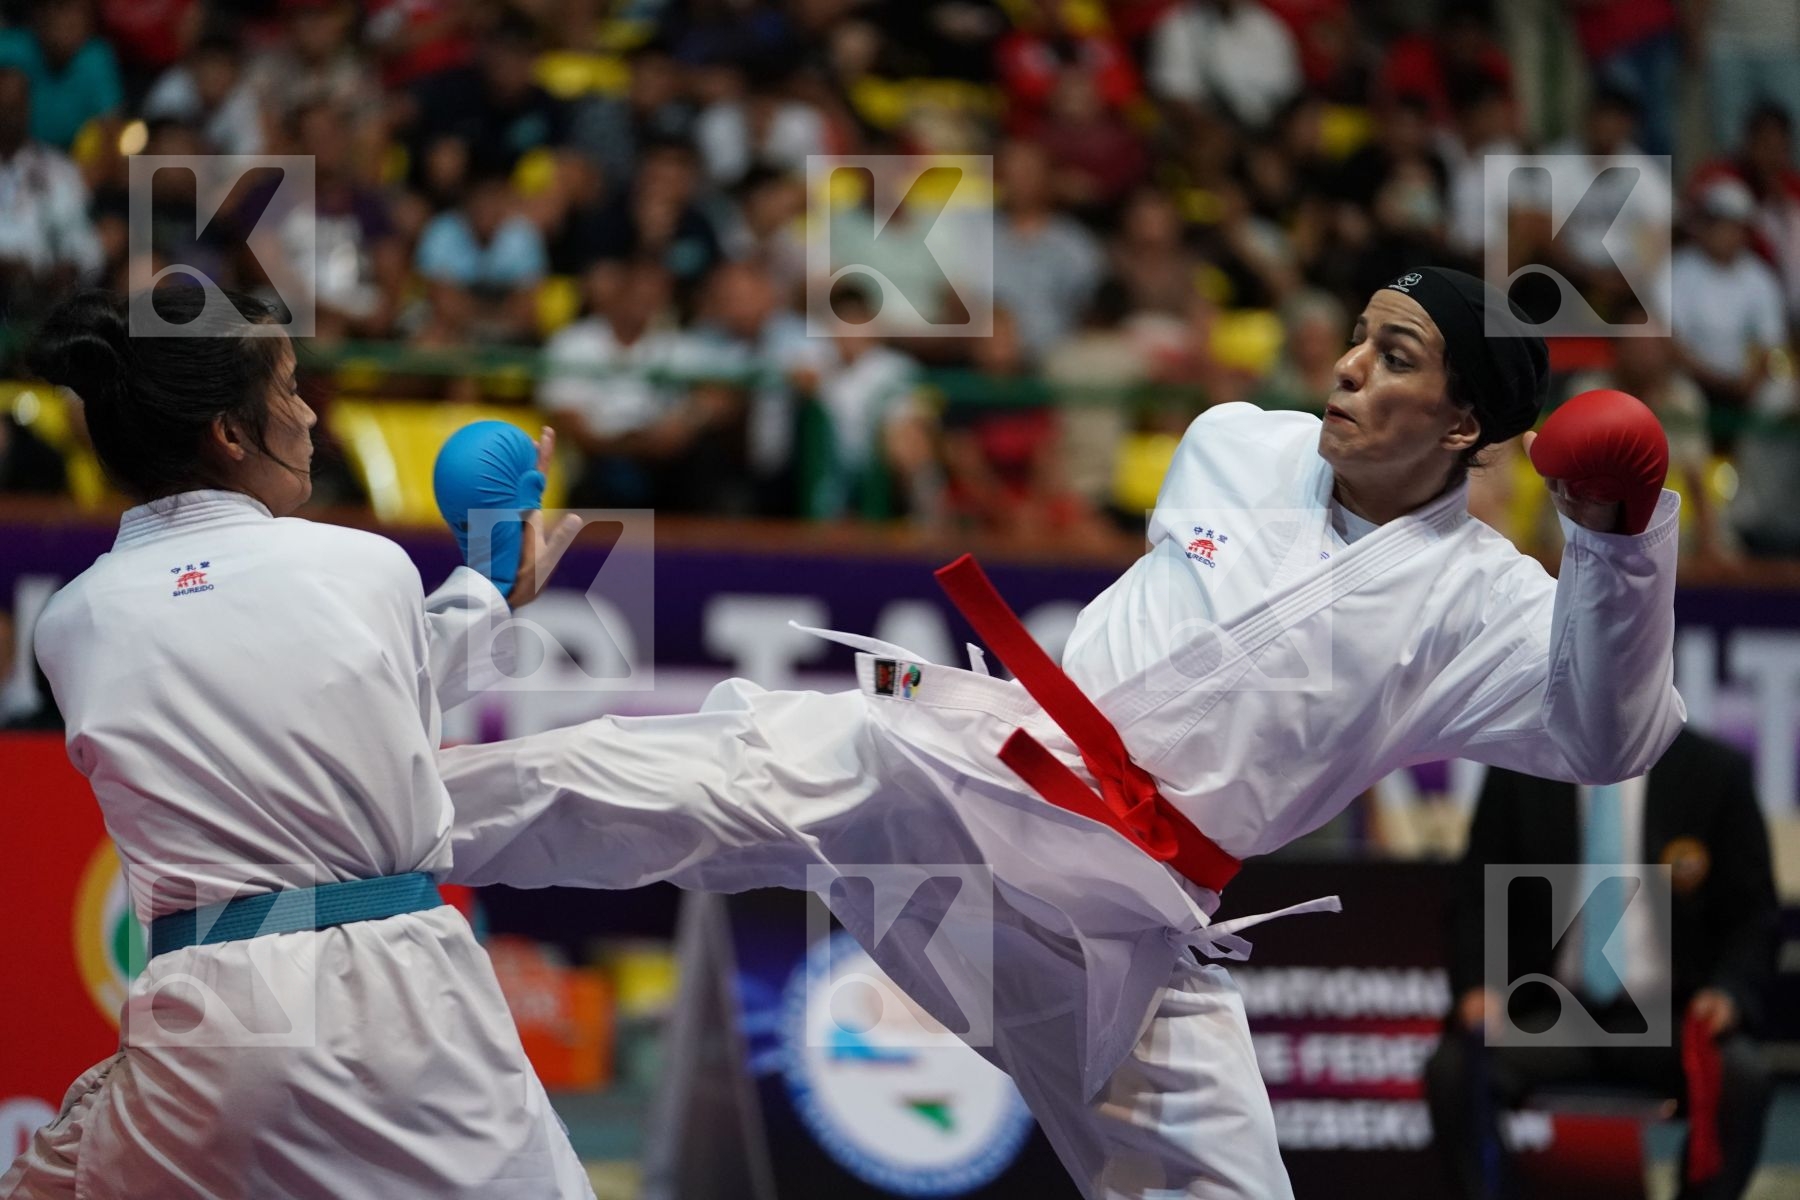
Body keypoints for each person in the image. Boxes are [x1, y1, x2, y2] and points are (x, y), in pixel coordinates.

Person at [435, 267, 1685, 1199]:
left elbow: (1609, 734)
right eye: (1358, 336)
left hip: (1123, 916)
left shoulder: (1483, 599)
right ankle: (395, 813)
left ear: (1466, 425)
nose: (1350, 366)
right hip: (990, 779)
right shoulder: (1236, 446)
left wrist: (1618, 543)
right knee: (734, 769)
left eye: (1396, 354)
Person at [1, 287, 592, 1199]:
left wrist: (488, 593)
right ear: (230, 436)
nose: (312, 412)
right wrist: (491, 583)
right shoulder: (362, 564)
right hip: (398, 994)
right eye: (288, 388)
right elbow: (381, 685)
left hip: (205, 1018)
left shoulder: (71, 622)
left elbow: (265, 668)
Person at [1424, 728, 1777, 1200]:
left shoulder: (1714, 771)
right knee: (1453, 1071)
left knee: (1743, 1077)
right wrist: (1480, 986)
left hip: (1672, 1016)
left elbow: (1753, 915)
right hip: (1551, 1014)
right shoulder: (1525, 765)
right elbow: (1475, 897)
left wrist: (1728, 992)